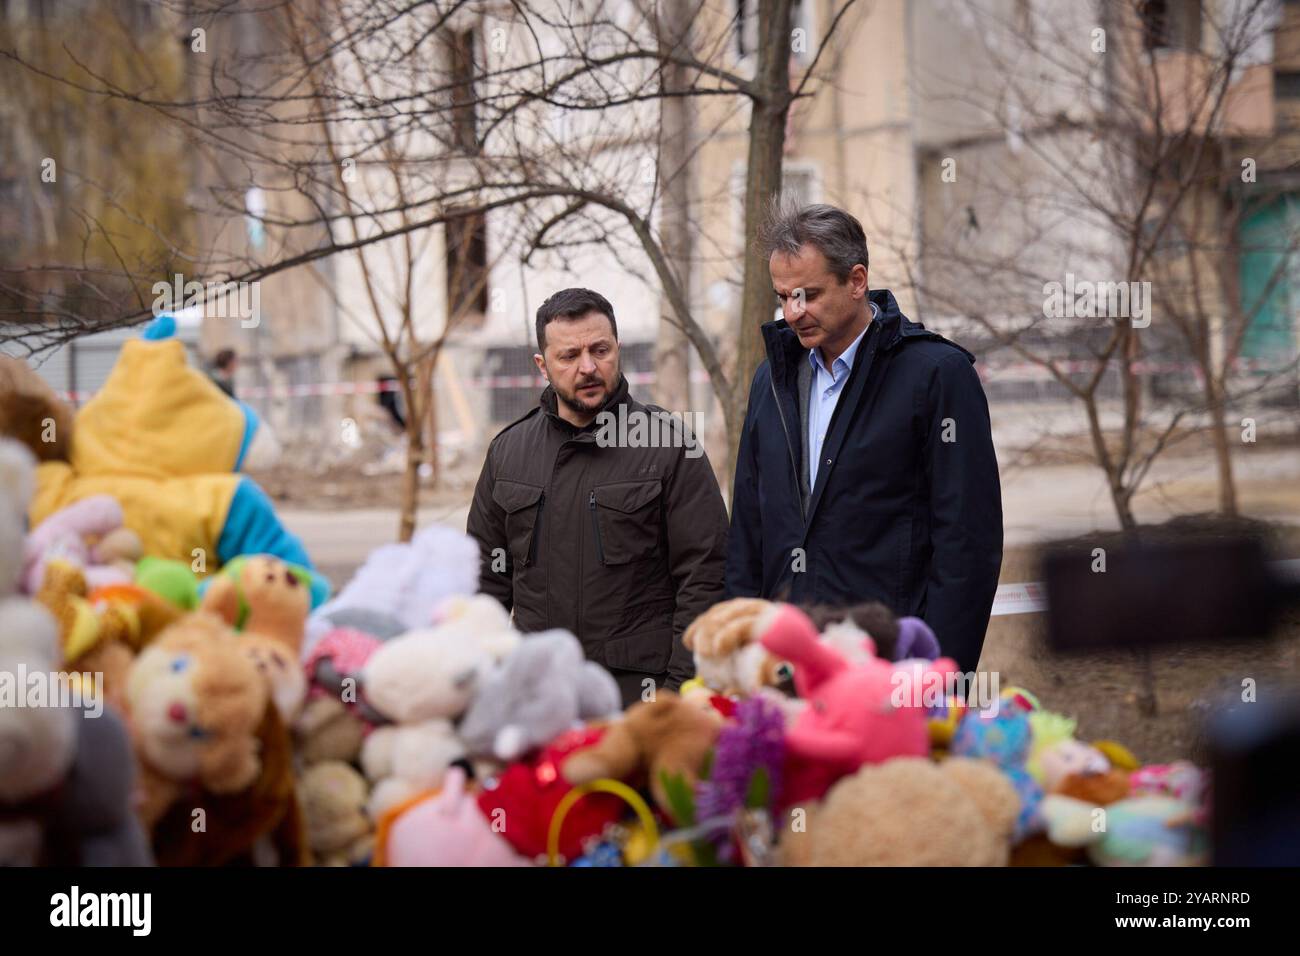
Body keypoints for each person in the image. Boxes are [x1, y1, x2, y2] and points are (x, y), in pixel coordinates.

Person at [725, 202, 1003, 673]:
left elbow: (967, 546)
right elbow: (749, 533)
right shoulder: (769, 381)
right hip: (786, 667)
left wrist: (935, 676)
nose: (794, 313)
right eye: (784, 296)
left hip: (890, 669)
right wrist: (741, 658)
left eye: (809, 295)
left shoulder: (937, 375)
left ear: (856, 281)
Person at [468, 288, 729, 705]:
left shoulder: (669, 444)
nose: (588, 367)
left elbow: (704, 577)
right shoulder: (508, 453)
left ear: (618, 350)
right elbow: (484, 585)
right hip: (537, 697)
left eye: (600, 350)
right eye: (569, 356)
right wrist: (486, 687)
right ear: (542, 364)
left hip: (637, 698)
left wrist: (677, 694)